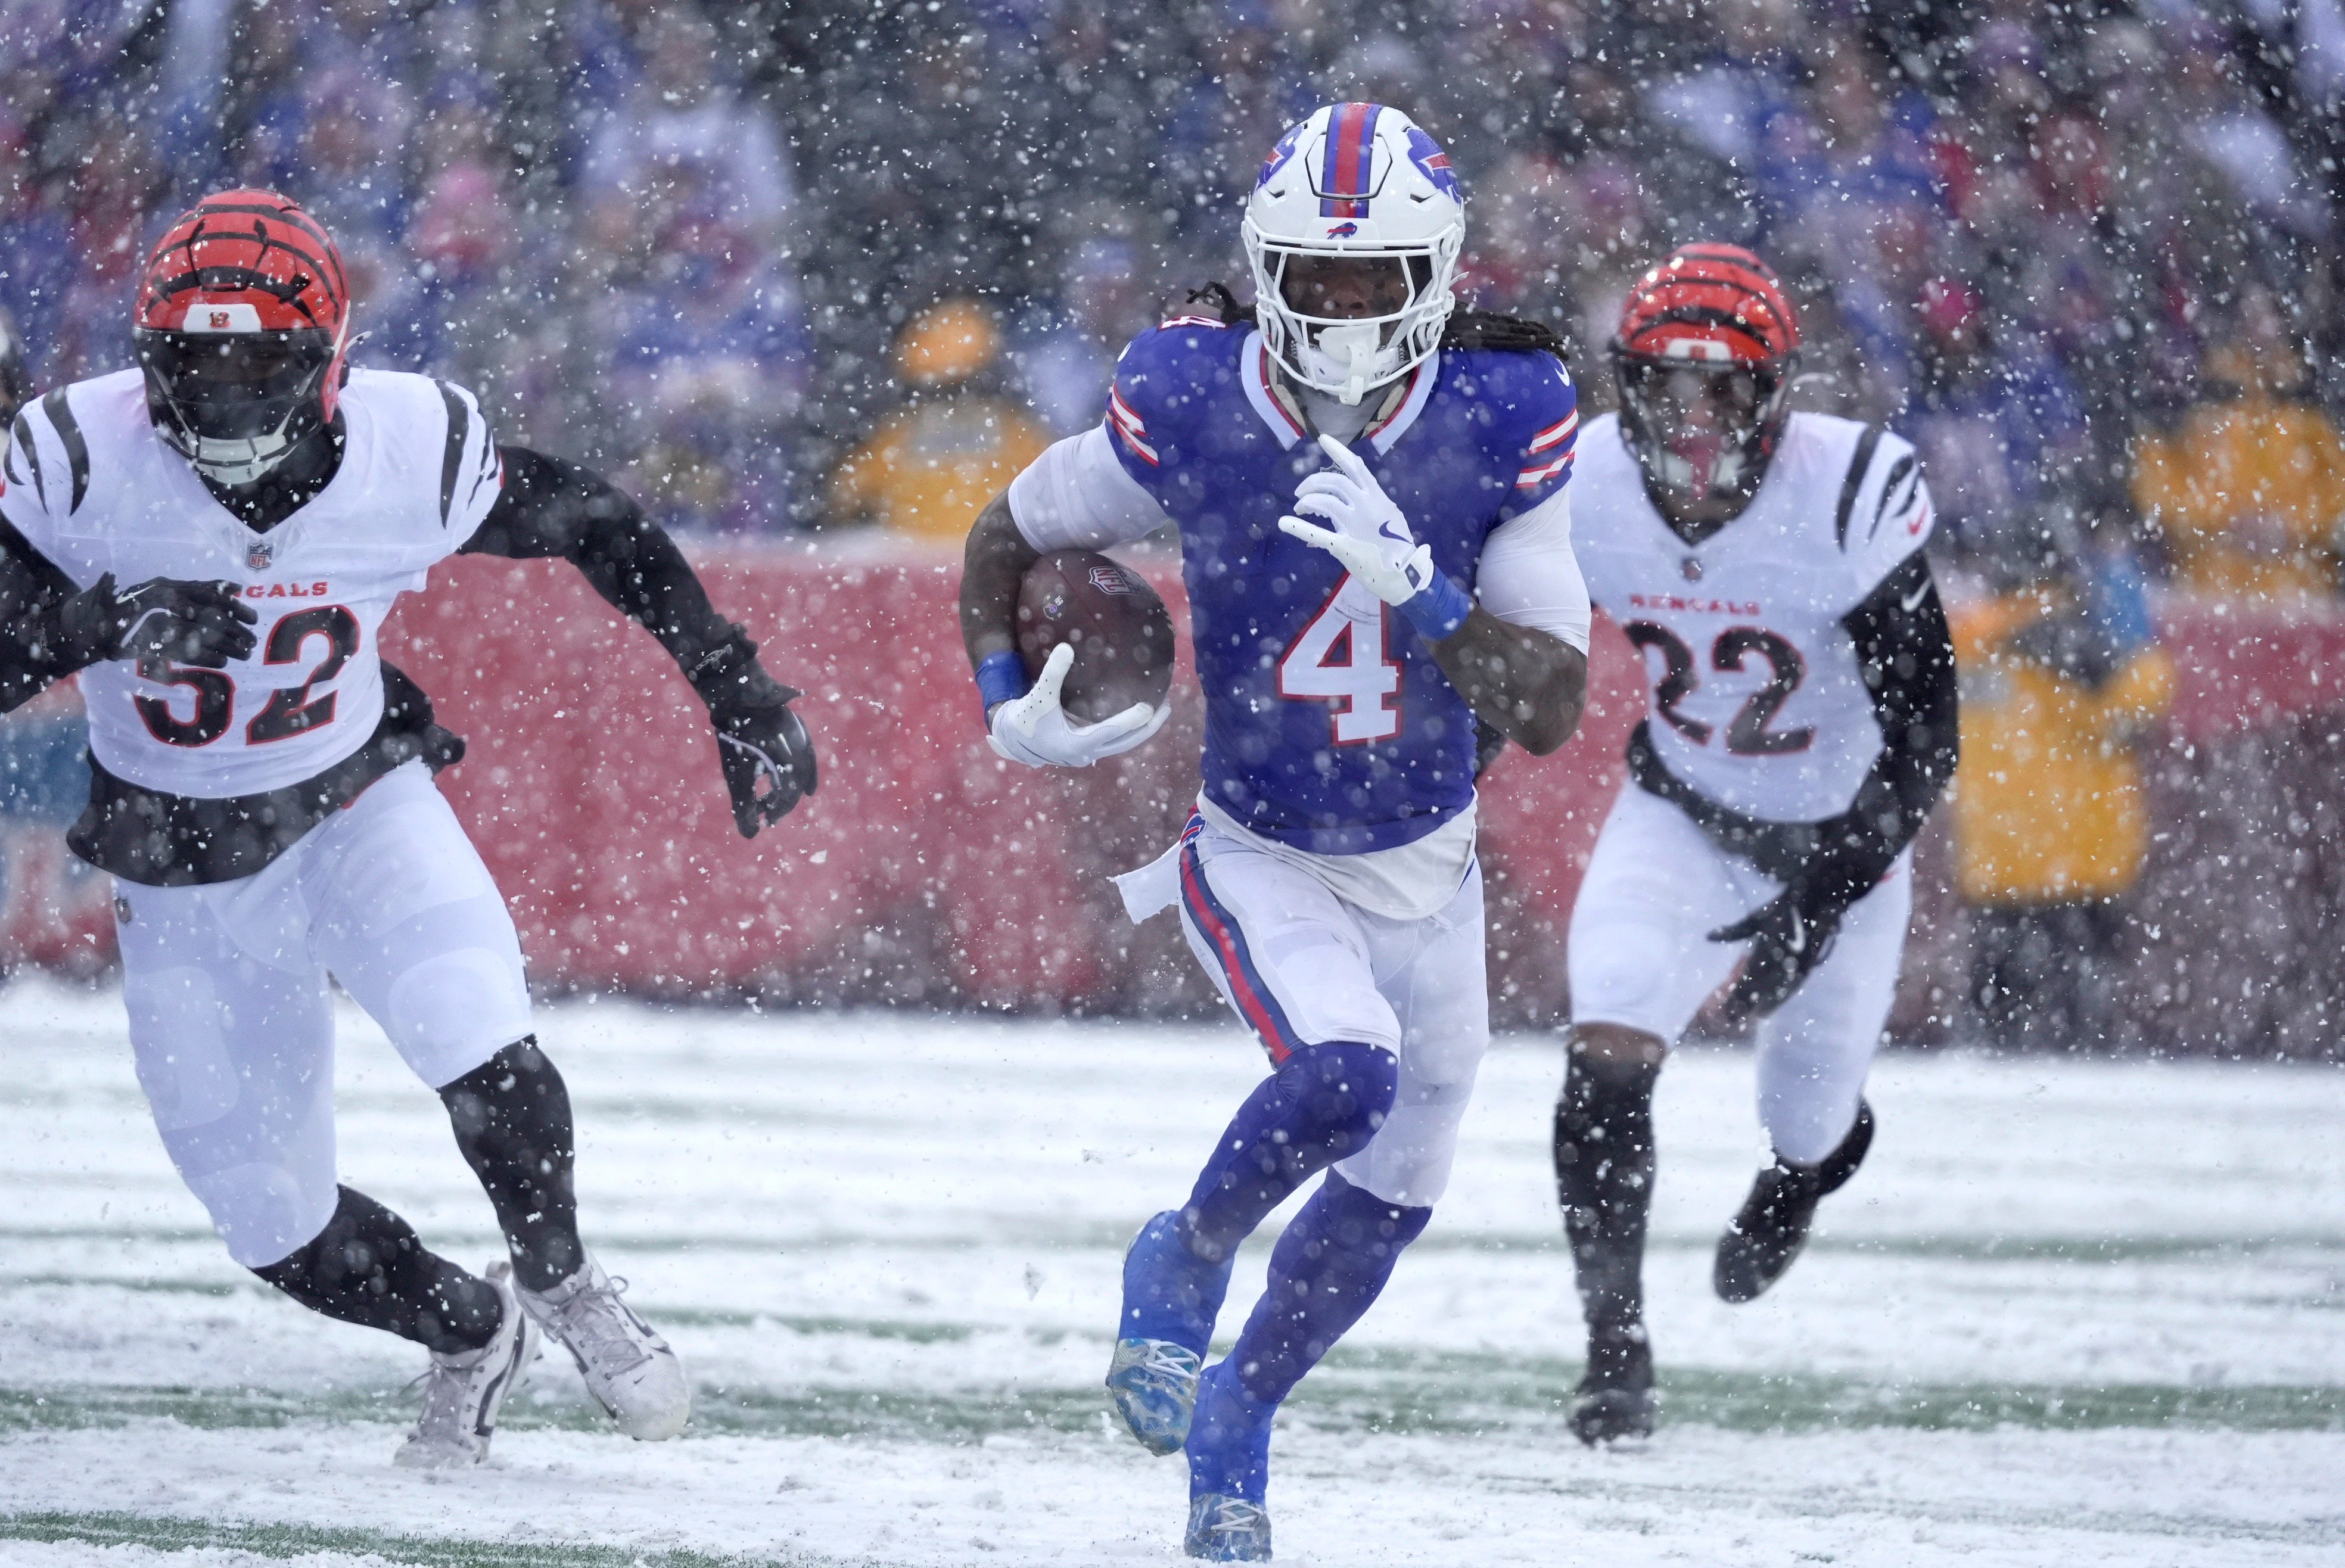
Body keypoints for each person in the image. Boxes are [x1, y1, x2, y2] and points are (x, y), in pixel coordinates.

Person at [0, 190, 817, 1468]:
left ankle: (563, 1276)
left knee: (474, 1029)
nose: (224, 395)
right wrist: (90, 625)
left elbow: (596, 522)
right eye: (195, 363)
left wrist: (733, 681)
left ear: (327, 361)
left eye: (256, 364)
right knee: (267, 1215)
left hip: (348, 801)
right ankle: (471, 1327)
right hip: (178, 854)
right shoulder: (71, 457)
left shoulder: (409, 448)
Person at [958, 104, 1591, 1561]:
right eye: (1317, 274)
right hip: (1260, 846)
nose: (1346, 308)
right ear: (1264, 266)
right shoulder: (1193, 392)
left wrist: (1425, 591)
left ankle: (1239, 1416)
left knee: (1398, 1184)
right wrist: (1004, 698)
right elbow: (1007, 533)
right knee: (1347, 1077)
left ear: (1436, 273)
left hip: (1431, 863)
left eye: (1377, 280)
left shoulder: (1505, 409)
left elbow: (1552, 707)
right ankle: (1183, 1250)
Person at [1554, 244, 1958, 1444]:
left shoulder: (1846, 492)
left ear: (1774, 391)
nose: (1690, 418)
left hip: (1846, 838)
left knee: (1806, 1114)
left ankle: (1806, 1171)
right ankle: (1614, 1348)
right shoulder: (1580, 480)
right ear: (1625, 383)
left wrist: (1824, 894)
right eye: (1665, 384)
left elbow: (1926, 734)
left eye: (1721, 387)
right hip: (1683, 810)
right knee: (1607, 1044)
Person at [1949, 521, 2172, 1050]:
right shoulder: (2086, 637)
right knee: (2081, 1028)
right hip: (2086, 857)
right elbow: (2142, 702)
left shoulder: (1966, 640)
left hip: (1996, 858)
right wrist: (2124, 653)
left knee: (1992, 1028)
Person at [829, 298, 1052, 542]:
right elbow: (1054, 486)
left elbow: (846, 493)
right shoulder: (1016, 430)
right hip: (987, 551)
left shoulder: (898, 433)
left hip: (912, 553)